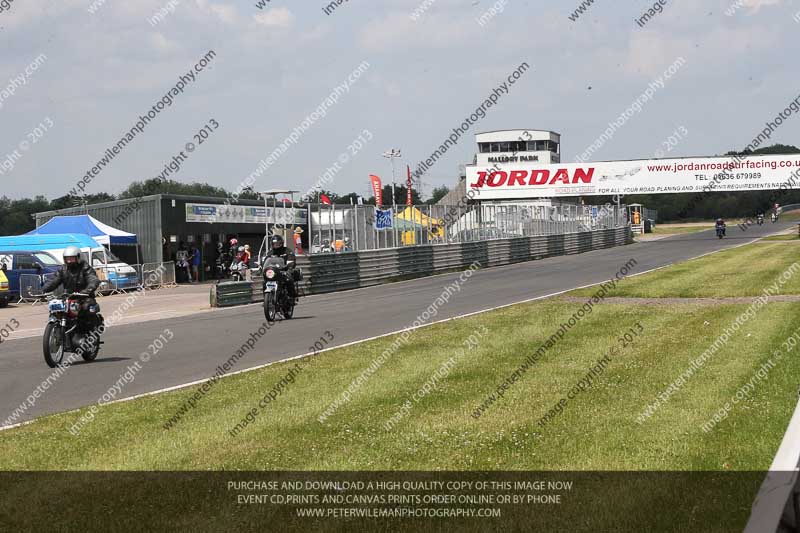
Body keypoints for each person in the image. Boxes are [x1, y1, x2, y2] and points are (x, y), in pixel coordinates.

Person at [41, 246, 101, 328]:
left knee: (87, 308)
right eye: (67, 259)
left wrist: (86, 291)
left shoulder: (86, 268)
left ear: (79, 257)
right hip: (68, 297)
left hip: (84, 297)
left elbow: (93, 280)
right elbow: (54, 280)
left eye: (72, 258)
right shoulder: (63, 269)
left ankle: (90, 331)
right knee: (57, 309)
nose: (69, 261)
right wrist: (43, 289)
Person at [265, 234, 298, 301]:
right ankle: (267, 299)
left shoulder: (287, 251)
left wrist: (290, 265)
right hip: (273, 271)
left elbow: (291, 259)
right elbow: (265, 261)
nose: (276, 245)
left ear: (281, 243)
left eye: (278, 243)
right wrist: (261, 267)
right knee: (264, 282)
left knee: (288, 279)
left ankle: (291, 296)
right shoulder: (270, 253)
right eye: (274, 244)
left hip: (284, 270)